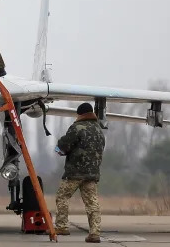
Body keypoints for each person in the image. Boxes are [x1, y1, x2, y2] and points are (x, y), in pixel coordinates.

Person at [53, 102, 106, 243]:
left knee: (62, 197)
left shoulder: (77, 128)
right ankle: (95, 233)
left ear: (80, 114)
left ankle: (62, 226)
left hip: (75, 172)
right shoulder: (99, 129)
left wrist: (58, 150)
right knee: (92, 203)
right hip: (92, 173)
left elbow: (64, 145)